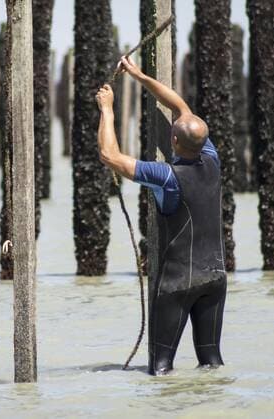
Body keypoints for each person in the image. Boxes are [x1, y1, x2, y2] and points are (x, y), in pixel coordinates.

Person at [96, 56, 226, 375]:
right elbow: (181, 109)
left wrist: (107, 109)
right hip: (216, 278)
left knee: (160, 369)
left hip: (177, 283)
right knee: (211, 361)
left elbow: (109, 156)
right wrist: (139, 75)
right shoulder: (212, 158)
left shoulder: (165, 175)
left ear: (173, 141)